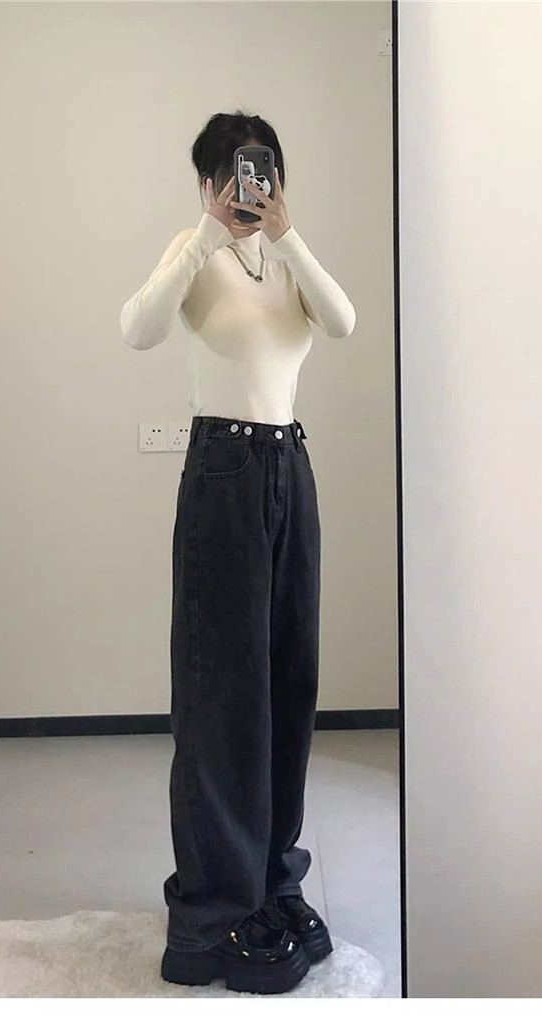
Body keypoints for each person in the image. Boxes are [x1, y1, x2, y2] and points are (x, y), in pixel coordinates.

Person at [120, 111, 356, 994]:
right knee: (221, 690)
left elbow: (343, 321)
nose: (246, 190)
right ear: (209, 181)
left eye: (259, 172)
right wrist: (204, 238)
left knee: (289, 679)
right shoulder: (195, 254)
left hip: (289, 465)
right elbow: (138, 328)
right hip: (222, 468)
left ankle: (270, 880)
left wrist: (287, 237)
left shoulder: (287, 259)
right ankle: (212, 911)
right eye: (230, 174)